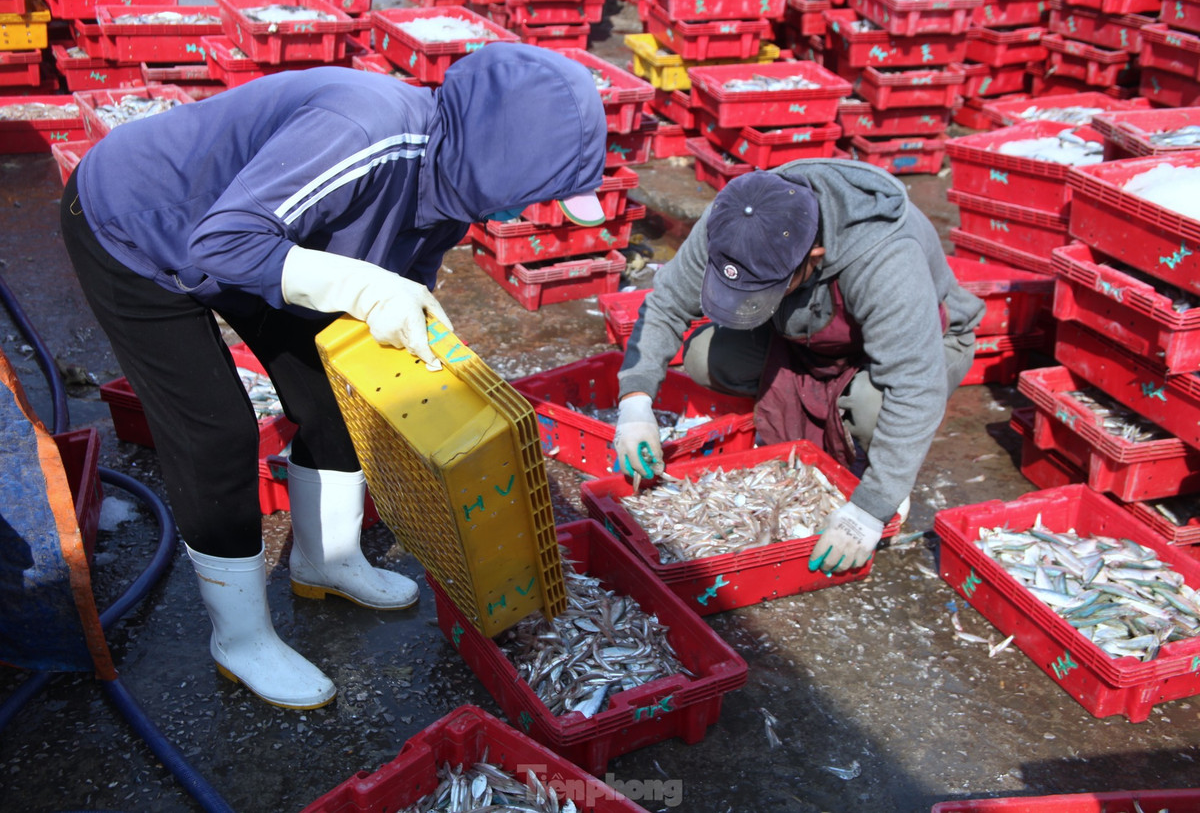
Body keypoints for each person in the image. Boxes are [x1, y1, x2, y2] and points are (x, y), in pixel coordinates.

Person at [60, 43, 608, 710]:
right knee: (216, 433)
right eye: (537, 191)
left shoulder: (454, 179)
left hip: (253, 239)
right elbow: (223, 243)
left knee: (337, 386)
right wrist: (365, 288)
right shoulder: (367, 130)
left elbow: (401, 273)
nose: (530, 210)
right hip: (138, 227)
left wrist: (405, 325)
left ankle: (326, 559)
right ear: (503, 155)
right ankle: (240, 638)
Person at [612, 162, 984, 575]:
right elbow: (666, 304)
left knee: (873, 404)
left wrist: (871, 508)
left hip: (913, 351)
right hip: (800, 337)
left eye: (767, 286)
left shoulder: (885, 257)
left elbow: (915, 387)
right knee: (706, 357)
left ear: (814, 257)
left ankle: (880, 467)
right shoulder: (738, 218)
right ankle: (803, 421)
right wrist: (635, 401)